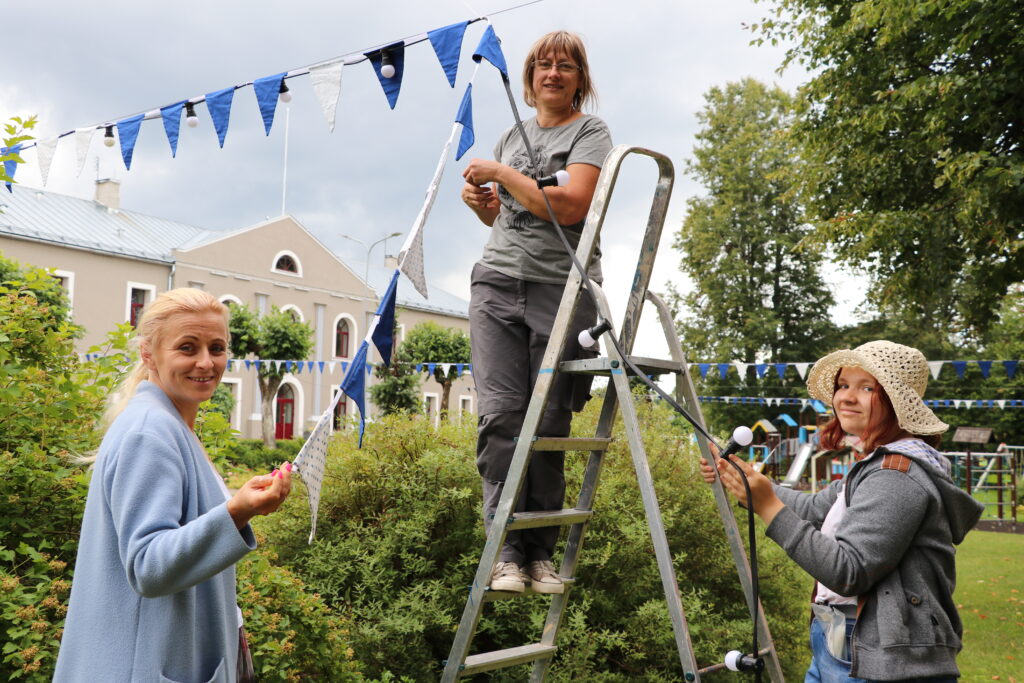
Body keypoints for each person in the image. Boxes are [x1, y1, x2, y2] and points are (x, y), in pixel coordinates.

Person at [701, 340, 984, 682]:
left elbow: (849, 570)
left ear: (898, 403)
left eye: (867, 388)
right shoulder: (874, 467)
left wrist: (768, 506)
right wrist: (744, 480)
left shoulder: (897, 474)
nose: (847, 397)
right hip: (840, 639)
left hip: (883, 660)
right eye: (843, 385)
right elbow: (813, 508)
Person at [54, 288, 293, 683]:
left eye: (217, 348)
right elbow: (149, 565)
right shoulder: (150, 432)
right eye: (187, 347)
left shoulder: (169, 424)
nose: (206, 362)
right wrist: (237, 512)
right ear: (149, 354)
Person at [461, 30, 612, 595]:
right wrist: (482, 204)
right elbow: (506, 216)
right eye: (543, 65)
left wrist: (501, 175)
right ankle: (505, 551)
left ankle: (540, 553)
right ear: (529, 78)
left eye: (565, 66)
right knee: (500, 418)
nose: (553, 73)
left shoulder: (590, 132)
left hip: (561, 288)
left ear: (579, 79)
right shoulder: (510, 136)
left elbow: (569, 207)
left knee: (547, 423)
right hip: (497, 282)